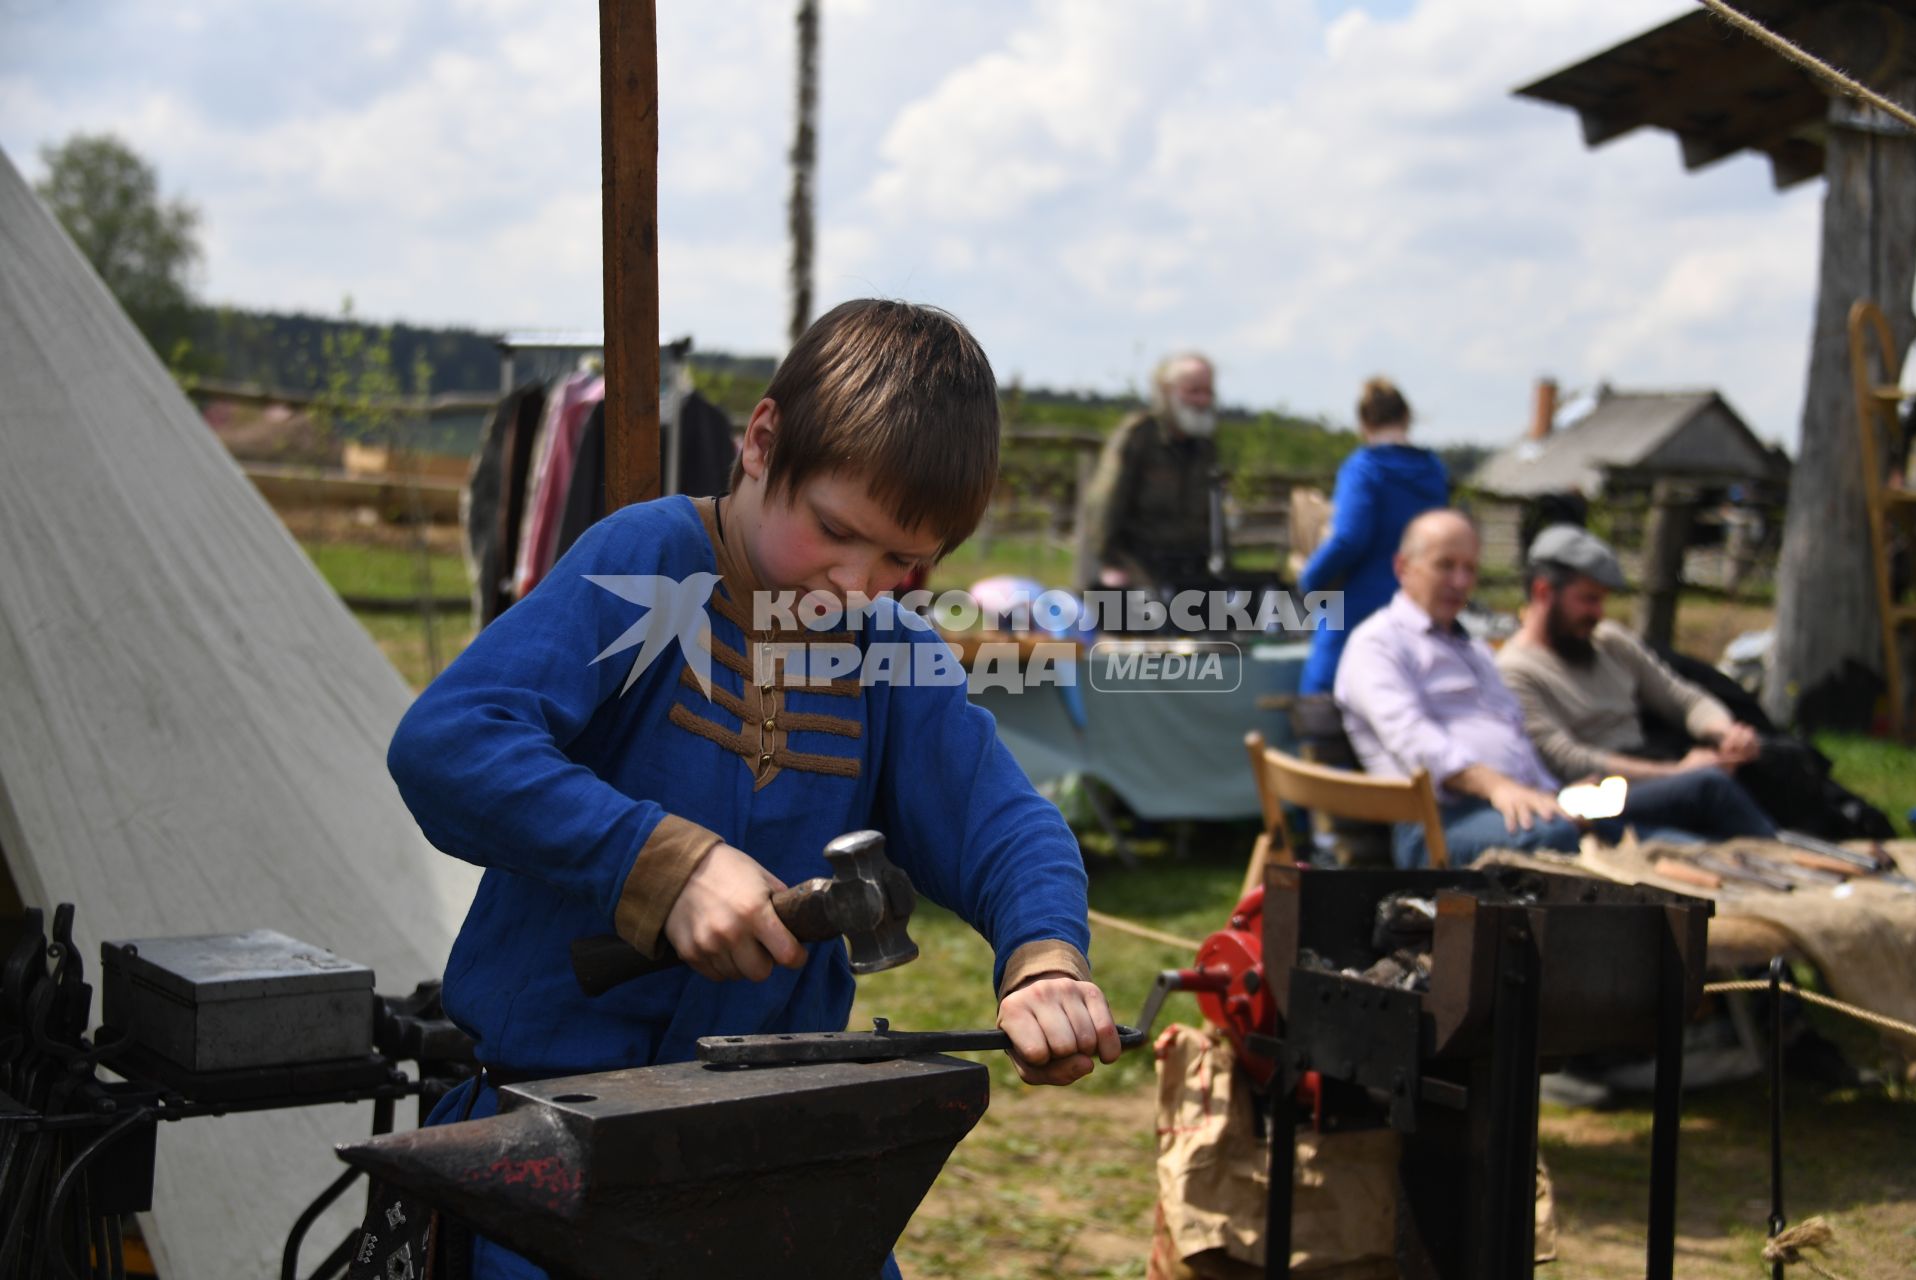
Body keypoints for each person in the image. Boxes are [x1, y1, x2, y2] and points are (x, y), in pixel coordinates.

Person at [388, 300, 1122, 1280]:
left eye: (907, 562)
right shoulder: (648, 564)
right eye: (834, 531)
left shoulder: (891, 651)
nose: (859, 585)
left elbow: (1005, 824)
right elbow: (447, 743)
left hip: (770, 1150)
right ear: (762, 441)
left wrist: (1044, 955)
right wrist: (658, 863)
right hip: (548, 1139)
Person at [1333, 510, 1776, 868]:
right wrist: (1500, 787)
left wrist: (1550, 790)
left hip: (1534, 805)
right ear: (1403, 567)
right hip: (1441, 822)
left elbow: (1515, 736)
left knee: (1695, 829)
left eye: (1469, 568)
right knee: (1568, 836)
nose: (1461, 582)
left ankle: (1793, 895)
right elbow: (1414, 740)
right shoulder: (1378, 644)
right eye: (1445, 566)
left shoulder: (1474, 650)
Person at [1496, 525, 1763, 783]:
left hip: (1659, 760)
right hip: (1610, 791)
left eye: (1601, 600)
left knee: (1772, 761)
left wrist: (1726, 734)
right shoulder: (1516, 669)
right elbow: (1567, 760)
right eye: (1588, 599)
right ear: (1543, 592)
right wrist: (1676, 774)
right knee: (1712, 788)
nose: (1598, 613)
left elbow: (1680, 698)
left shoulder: (1608, 641)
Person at [1296, 377, 1450, 694]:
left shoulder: (1365, 467)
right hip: (1418, 605)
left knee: (1322, 701)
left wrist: (1309, 580)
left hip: (1358, 607)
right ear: (1407, 418)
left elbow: (1349, 537)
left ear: (1364, 422)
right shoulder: (1432, 469)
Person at [1080, 351, 1219, 593]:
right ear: (1167, 392)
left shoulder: (1205, 447)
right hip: (1140, 569)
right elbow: (1104, 505)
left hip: (1192, 571)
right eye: (1193, 391)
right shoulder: (1139, 436)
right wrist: (1111, 563)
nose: (1202, 400)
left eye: (1208, 392)